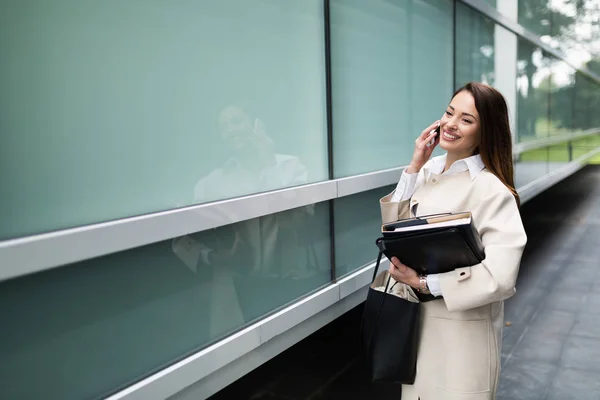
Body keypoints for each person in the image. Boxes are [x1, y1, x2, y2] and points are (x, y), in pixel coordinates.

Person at [380, 82, 527, 400]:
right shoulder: (428, 172)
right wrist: (415, 164)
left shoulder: (491, 190)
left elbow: (500, 278)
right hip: (416, 332)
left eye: (466, 119)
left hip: (462, 341)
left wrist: (425, 282)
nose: (450, 124)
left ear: (486, 131)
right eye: (449, 113)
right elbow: (393, 230)